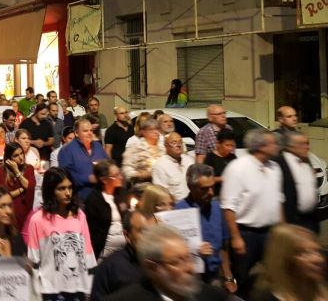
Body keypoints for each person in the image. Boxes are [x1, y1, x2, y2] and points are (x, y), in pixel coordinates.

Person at [221, 129, 284, 298]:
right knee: (243, 277)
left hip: (271, 233)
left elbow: (279, 200)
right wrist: (235, 237)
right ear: (260, 146)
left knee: (275, 274)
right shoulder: (238, 168)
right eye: (273, 143)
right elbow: (228, 206)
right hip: (246, 234)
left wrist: (283, 230)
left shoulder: (275, 168)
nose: (277, 145)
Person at [105, 224, 228, 301]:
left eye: (188, 258)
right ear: (152, 267)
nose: (190, 267)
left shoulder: (214, 296)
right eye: (177, 262)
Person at [27, 167, 97, 301]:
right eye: (61, 188)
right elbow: (33, 260)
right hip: (50, 291)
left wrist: (89, 288)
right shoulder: (38, 220)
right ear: (51, 191)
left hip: (78, 289)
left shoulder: (80, 216)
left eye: (70, 188)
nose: (68, 193)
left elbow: (88, 255)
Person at [176, 164, 237, 294]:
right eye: (204, 189)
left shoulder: (216, 207)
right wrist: (194, 251)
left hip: (215, 276)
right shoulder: (177, 212)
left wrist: (228, 276)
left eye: (212, 187)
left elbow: (223, 246)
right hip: (189, 278)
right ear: (190, 187)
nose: (211, 193)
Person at [90, 211, 156, 300]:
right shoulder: (110, 267)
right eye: (144, 231)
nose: (151, 237)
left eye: (155, 231)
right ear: (127, 235)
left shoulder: (165, 262)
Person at [253, 224, 328, 301]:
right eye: (303, 253)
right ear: (284, 259)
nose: (318, 259)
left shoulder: (321, 288)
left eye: (317, 251)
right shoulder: (267, 298)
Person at [275, 130, 318, 232]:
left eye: (307, 143)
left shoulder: (306, 161)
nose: (307, 147)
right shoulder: (279, 163)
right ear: (290, 146)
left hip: (310, 221)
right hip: (293, 222)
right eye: (302, 144)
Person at [85, 160, 126, 260]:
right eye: (116, 175)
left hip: (124, 252)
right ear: (104, 179)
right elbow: (95, 232)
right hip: (104, 255)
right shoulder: (94, 199)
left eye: (119, 173)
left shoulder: (121, 194)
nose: (120, 177)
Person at [58, 117, 108, 200]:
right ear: (76, 134)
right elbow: (65, 176)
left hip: (103, 194)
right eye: (85, 131)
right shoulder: (67, 151)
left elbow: (108, 164)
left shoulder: (98, 146)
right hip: (81, 197)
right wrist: (88, 178)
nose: (89, 133)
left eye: (91, 130)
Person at [0, 143, 36, 230]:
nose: (21, 157)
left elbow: (30, 186)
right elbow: (4, 195)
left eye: (21, 153)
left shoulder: (29, 168)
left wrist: (16, 171)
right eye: (16, 155)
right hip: (10, 215)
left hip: (26, 213)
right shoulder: (2, 171)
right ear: (9, 158)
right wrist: (22, 189)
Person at [122, 119, 166, 186]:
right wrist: (141, 175)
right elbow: (126, 169)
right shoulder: (136, 147)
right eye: (151, 129)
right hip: (144, 187)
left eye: (157, 129)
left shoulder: (164, 147)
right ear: (143, 132)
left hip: (163, 185)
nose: (156, 132)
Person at [152, 131, 194, 201]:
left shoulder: (189, 160)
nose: (178, 145)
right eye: (174, 142)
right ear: (166, 146)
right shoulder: (160, 165)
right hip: (175, 207)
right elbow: (161, 194)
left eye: (180, 142)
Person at [203, 129, 237, 197]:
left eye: (232, 145)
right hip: (216, 196)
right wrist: (222, 178)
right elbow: (206, 179)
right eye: (227, 145)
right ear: (218, 144)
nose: (230, 148)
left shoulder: (233, 157)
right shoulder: (210, 158)